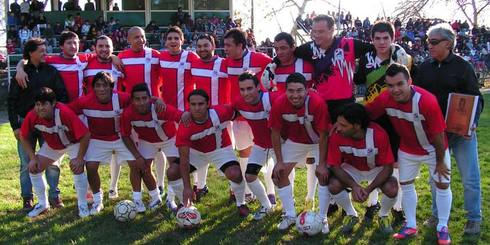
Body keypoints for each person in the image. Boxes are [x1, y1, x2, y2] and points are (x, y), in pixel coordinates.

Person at [366, 63, 452, 245]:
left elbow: (438, 134)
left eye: (399, 84)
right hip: (407, 149)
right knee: (406, 185)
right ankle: (411, 224)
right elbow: (366, 113)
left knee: (442, 185)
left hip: (434, 149)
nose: (395, 90)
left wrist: (440, 161)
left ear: (409, 82)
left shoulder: (426, 100)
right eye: (390, 85)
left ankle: (442, 226)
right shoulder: (385, 99)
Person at [414, 23, 483, 234]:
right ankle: (436, 215)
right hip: (436, 135)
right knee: (437, 178)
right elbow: (416, 97)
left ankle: (474, 218)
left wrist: (473, 120)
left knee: (470, 177)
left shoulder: (463, 67)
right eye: (428, 42)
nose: (429, 46)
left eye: (434, 42)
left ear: (448, 43)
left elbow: (476, 98)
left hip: (461, 134)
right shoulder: (424, 68)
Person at [354, 20, 410, 223]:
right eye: (377, 38)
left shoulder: (402, 56)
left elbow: (413, 82)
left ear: (393, 38)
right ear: (372, 40)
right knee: (374, 160)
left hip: (396, 114)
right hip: (373, 114)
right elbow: (358, 80)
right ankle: (372, 203)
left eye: (386, 37)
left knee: (396, 162)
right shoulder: (366, 57)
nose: (381, 42)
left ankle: (397, 206)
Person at [168, 89, 250, 217]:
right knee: (172, 172)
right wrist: (187, 187)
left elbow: (241, 108)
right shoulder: (185, 125)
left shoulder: (221, 112)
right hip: (197, 153)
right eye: (193, 104)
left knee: (235, 173)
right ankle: (185, 204)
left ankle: (241, 203)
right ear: (188, 105)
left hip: (220, 149)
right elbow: (184, 159)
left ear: (208, 104)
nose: (197, 108)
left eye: (200, 104)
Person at [8, 38, 68, 211]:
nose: (45, 53)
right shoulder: (20, 74)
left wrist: (55, 118)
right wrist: (15, 126)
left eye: (45, 49)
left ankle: (54, 195)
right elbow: (11, 101)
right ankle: (27, 199)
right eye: (41, 51)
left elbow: (62, 97)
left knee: (52, 162)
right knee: (26, 162)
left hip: (48, 126)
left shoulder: (51, 72)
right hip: (25, 127)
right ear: (31, 53)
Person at [261, 32, 318, 210]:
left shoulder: (309, 64)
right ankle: (290, 203)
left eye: (284, 47)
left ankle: (312, 198)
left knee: (314, 162)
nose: (280, 52)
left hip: (311, 121)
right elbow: (268, 90)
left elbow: (318, 87)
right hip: (287, 123)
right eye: (277, 48)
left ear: (293, 47)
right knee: (285, 164)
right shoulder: (272, 68)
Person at [269, 73, 331, 233]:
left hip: (317, 142)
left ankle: (322, 217)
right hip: (295, 142)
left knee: (325, 175)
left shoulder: (317, 103)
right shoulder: (279, 103)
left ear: (307, 90)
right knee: (279, 175)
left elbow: (324, 135)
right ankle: (290, 214)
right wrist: (279, 161)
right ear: (285, 90)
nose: (295, 95)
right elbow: (274, 132)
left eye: (299, 91)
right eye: (291, 91)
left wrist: (323, 164)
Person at [68, 72, 134, 215]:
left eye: (105, 85)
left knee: (136, 164)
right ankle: (98, 200)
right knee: (91, 167)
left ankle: (138, 199)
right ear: (93, 88)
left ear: (111, 87)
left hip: (119, 137)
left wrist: (156, 100)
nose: (102, 89)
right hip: (97, 139)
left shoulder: (122, 98)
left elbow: (141, 100)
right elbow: (66, 111)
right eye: (98, 86)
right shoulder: (85, 101)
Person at [327, 103, 398, 234]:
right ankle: (351, 214)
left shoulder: (378, 134)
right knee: (333, 184)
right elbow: (334, 165)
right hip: (352, 168)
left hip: (376, 169)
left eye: (343, 125)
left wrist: (368, 189)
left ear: (357, 125)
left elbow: (388, 168)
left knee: (392, 188)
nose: (338, 128)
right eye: (338, 123)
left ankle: (383, 215)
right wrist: (354, 186)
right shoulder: (336, 135)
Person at [20, 88, 90, 218]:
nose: (40, 108)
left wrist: (79, 158)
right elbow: (22, 135)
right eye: (37, 104)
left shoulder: (64, 112)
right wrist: (33, 157)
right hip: (53, 146)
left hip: (73, 143)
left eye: (44, 104)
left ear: (53, 103)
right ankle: (43, 203)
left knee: (77, 167)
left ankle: (83, 204)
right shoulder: (33, 114)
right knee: (34, 168)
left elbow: (85, 135)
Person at [224, 28, 272, 202]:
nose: (226, 49)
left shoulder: (259, 58)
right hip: (239, 117)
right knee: (244, 152)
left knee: (267, 151)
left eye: (229, 45)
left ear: (240, 45)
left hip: (261, 114)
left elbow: (277, 68)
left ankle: (271, 191)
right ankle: (248, 192)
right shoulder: (225, 62)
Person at [120, 84, 184, 212]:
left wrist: (183, 141)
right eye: (137, 99)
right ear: (132, 100)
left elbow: (182, 117)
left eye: (144, 98)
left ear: (150, 98)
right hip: (147, 141)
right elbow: (125, 135)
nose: (141, 102)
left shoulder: (160, 108)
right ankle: (155, 197)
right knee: (142, 167)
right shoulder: (128, 113)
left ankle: (171, 199)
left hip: (169, 139)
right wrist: (137, 156)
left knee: (175, 169)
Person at [294, 14, 372, 119]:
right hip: (320, 103)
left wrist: (395, 49)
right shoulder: (309, 48)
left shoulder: (349, 44)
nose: (316, 35)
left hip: (346, 103)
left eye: (320, 31)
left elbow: (376, 48)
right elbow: (289, 53)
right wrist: (273, 64)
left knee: (343, 134)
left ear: (332, 30)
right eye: (314, 31)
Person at [232, 72, 283, 219]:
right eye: (242, 89)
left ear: (258, 87)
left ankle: (288, 209)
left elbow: (293, 99)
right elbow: (224, 113)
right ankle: (266, 206)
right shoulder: (238, 103)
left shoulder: (273, 98)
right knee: (249, 175)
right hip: (260, 145)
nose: (246, 93)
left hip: (280, 144)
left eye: (249, 88)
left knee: (282, 177)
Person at [190, 33, 230, 200]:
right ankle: (200, 186)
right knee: (199, 151)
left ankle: (236, 190)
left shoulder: (224, 64)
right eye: (199, 46)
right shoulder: (193, 63)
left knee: (228, 155)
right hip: (200, 115)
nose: (202, 49)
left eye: (206, 45)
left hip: (222, 118)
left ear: (213, 46)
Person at [159, 26, 199, 111]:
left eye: (176, 38)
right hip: (166, 107)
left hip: (187, 109)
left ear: (182, 41)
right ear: (165, 42)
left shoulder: (191, 57)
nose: (173, 41)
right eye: (169, 38)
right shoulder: (160, 57)